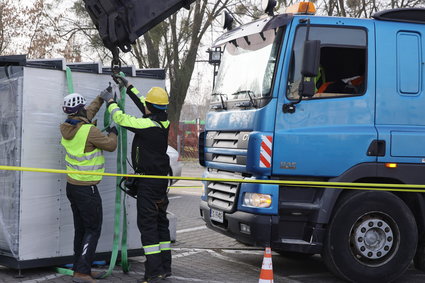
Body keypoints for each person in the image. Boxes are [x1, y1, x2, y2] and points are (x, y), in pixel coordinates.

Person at [99, 75, 171, 283]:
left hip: (148, 184)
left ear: (151, 107)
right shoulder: (162, 121)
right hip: (160, 182)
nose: (144, 107)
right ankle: (165, 268)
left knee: (148, 227)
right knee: (160, 224)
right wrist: (128, 86)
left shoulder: (147, 125)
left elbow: (121, 119)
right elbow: (145, 105)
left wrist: (110, 102)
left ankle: (153, 273)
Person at [60, 92, 118, 283]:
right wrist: (113, 132)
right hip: (87, 189)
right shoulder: (89, 131)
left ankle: (80, 267)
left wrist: (101, 98)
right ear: (79, 110)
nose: (87, 109)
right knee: (93, 229)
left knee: (81, 229)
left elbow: (87, 114)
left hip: (73, 187)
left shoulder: (69, 127)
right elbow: (110, 145)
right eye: (84, 107)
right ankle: (82, 272)